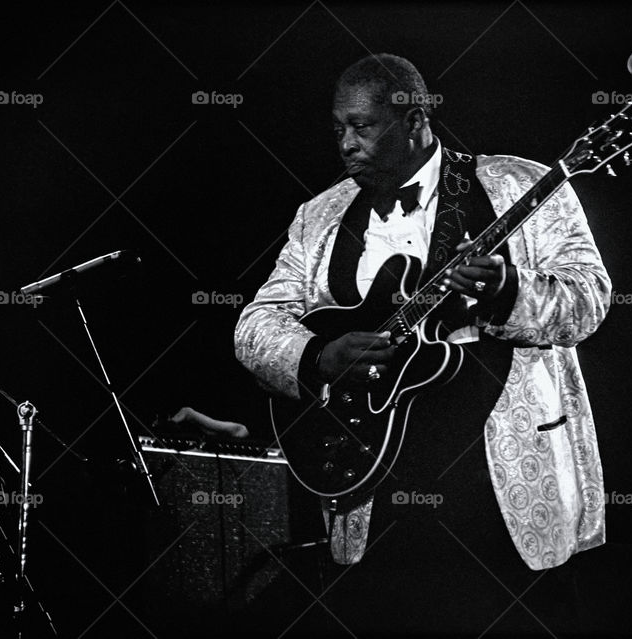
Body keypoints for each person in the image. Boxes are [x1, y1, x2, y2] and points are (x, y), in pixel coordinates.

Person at [234, 53, 611, 635]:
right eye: (339, 129)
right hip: (371, 484)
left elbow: (590, 299)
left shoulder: (522, 184)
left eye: (364, 126)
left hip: (501, 483)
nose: (347, 144)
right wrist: (318, 357)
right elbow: (255, 325)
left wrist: (507, 289)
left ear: (414, 120)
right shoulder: (319, 216)